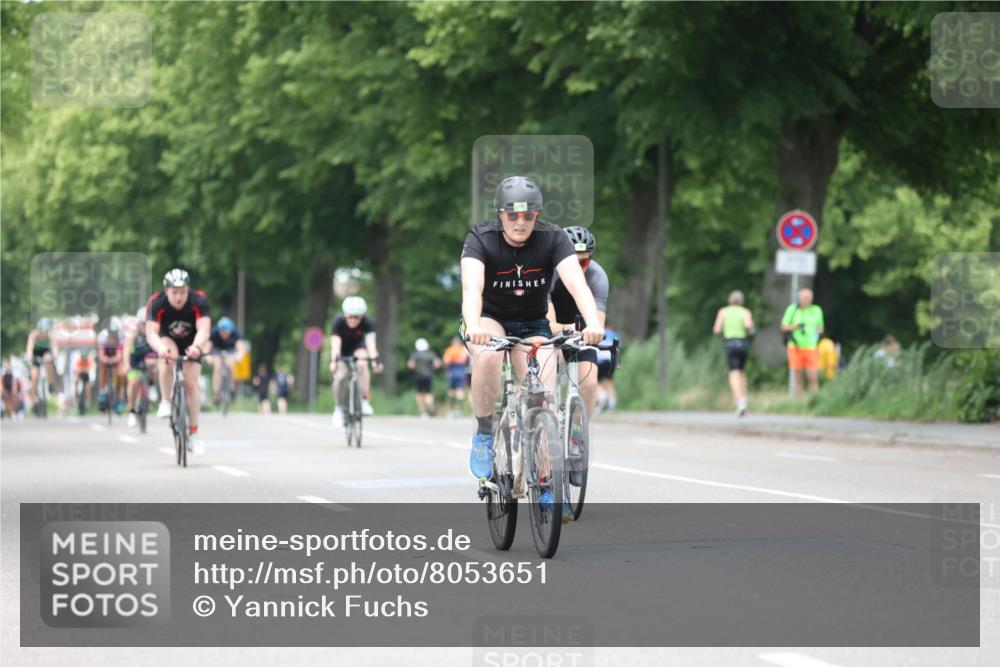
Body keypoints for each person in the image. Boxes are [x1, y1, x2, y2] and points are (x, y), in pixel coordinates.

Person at [460, 175, 604, 484]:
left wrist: (592, 322)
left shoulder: (553, 238)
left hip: (533, 323)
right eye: (512, 214)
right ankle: (484, 433)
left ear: (537, 214)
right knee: (487, 357)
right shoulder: (480, 238)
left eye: (528, 214)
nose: (520, 221)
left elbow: (577, 285)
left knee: (544, 400)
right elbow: (472, 289)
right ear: (501, 214)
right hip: (489, 318)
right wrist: (473, 326)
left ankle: (545, 487)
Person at [145, 268, 211, 454]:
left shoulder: (198, 300)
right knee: (166, 356)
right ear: (166, 291)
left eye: (182, 292)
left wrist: (197, 347)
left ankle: (194, 433)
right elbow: (151, 333)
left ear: (188, 290)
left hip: (192, 343)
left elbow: (204, 329)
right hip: (168, 340)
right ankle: (165, 401)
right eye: (174, 292)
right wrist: (160, 349)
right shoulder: (156, 302)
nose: (179, 297)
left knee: (191, 384)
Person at [546, 226, 608, 420]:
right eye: (573, 261)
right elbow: (549, 325)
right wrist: (568, 329)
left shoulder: (598, 276)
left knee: (589, 385)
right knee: (545, 380)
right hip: (549, 327)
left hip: (580, 331)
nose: (580, 267)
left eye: (585, 261)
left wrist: (592, 331)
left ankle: (578, 433)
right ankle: (544, 423)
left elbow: (597, 325)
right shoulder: (546, 274)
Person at [329, 296, 382, 425]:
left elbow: (371, 344)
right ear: (345, 315)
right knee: (340, 376)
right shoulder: (338, 322)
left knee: (362, 365)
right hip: (342, 349)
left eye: (357, 317)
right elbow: (335, 344)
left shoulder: (367, 322)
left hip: (358, 347)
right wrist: (333, 361)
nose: (353, 320)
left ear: (362, 316)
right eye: (350, 316)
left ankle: (364, 400)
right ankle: (338, 408)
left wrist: (375, 360)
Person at [712, 290, 755, 416]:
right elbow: (748, 326)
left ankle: (740, 403)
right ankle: (745, 402)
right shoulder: (745, 312)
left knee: (734, 374)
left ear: (730, 300)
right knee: (741, 372)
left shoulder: (723, 312)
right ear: (741, 301)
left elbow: (717, 329)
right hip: (743, 344)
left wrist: (725, 330)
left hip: (730, 344)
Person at [781, 287, 825, 394]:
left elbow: (821, 327)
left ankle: (815, 398)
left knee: (812, 375)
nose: (807, 300)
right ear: (799, 298)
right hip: (795, 346)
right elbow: (784, 326)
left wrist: (816, 333)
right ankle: (800, 400)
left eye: (809, 297)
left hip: (811, 346)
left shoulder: (816, 309)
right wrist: (795, 326)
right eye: (805, 297)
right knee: (798, 375)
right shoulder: (792, 309)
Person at [124, 306, 158, 427]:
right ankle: (131, 411)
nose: (145, 326)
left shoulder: (154, 331)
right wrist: (127, 364)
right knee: (133, 382)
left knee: (155, 366)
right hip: (135, 359)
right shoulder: (133, 332)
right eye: (143, 323)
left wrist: (157, 361)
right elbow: (126, 349)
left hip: (149, 357)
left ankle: (152, 386)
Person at [205, 316, 248, 403]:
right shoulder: (214, 332)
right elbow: (207, 346)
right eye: (222, 332)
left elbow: (241, 347)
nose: (224, 335)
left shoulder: (235, 333)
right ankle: (217, 393)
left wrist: (239, 356)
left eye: (226, 333)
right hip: (217, 350)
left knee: (231, 363)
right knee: (217, 367)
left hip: (230, 350)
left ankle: (232, 387)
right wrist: (208, 357)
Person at [24, 318, 60, 414]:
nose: (44, 334)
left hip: (46, 353)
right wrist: (29, 356)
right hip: (35, 354)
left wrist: (55, 355)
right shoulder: (33, 335)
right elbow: (29, 348)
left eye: (46, 331)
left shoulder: (51, 336)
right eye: (42, 331)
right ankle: (34, 396)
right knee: (34, 376)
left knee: (49, 361)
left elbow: (55, 349)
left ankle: (50, 383)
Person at [96, 318, 126, 414]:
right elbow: (101, 354)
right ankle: (102, 393)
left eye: (114, 334)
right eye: (111, 333)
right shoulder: (102, 336)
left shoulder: (121, 337)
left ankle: (118, 398)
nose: (113, 336)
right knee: (102, 369)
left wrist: (114, 360)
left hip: (116, 355)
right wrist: (106, 360)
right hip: (105, 354)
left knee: (119, 374)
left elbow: (119, 354)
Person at [408, 338, 441, 418]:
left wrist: (414, 367)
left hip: (419, 376)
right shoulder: (431, 354)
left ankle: (423, 411)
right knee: (428, 392)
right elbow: (438, 363)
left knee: (420, 394)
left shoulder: (415, 354)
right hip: (429, 375)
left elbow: (411, 364)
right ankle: (431, 405)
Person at [442, 336, 470, 417]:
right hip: (461, 370)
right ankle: (460, 410)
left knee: (451, 391)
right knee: (460, 391)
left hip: (452, 370)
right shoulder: (463, 349)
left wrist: (447, 368)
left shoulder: (450, 350)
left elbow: (446, 360)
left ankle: (451, 410)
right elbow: (464, 359)